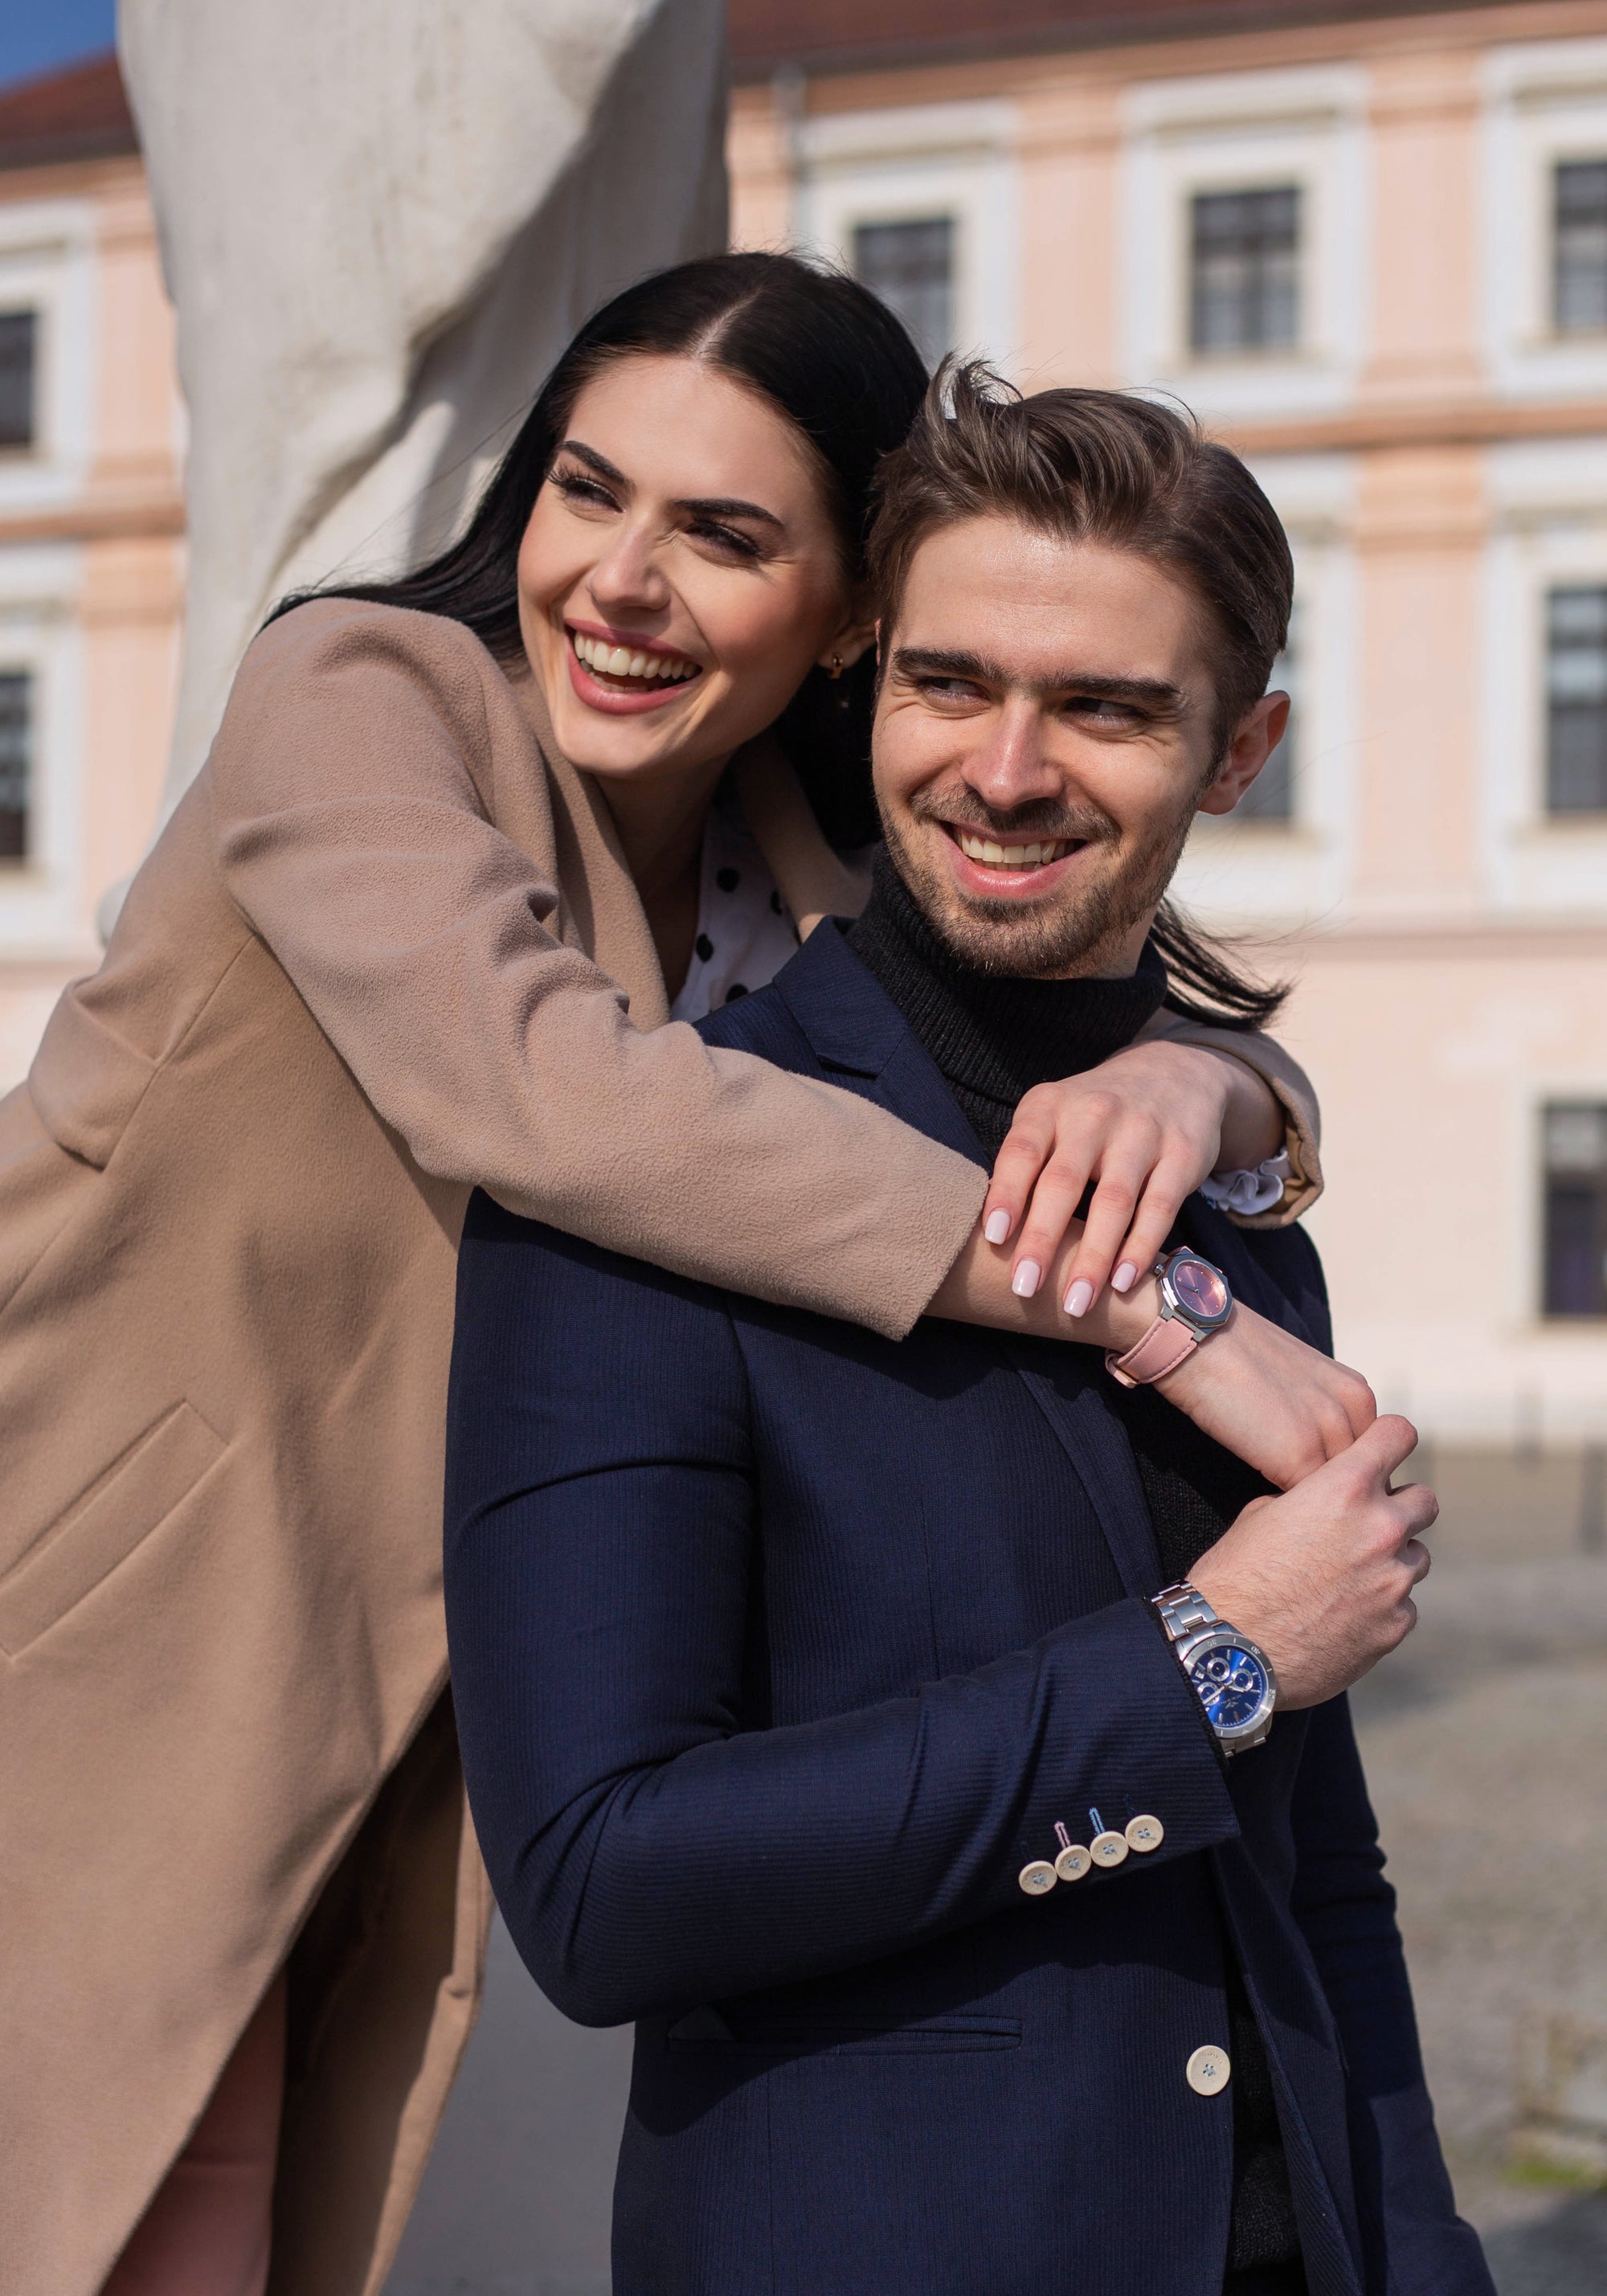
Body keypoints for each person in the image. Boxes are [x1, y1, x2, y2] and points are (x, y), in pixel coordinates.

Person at [0, 256, 1355, 2296]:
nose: (619, 580)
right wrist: (1152, 1312)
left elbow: (1046, 1033)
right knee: (140, 2205)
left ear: (849, 615)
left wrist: (1218, 1077)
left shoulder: (798, 848)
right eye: (584, 488)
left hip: (431, 1675)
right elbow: (548, 1092)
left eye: (724, 535)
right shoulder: (364, 695)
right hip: (115, 1618)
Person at [444, 370, 1491, 2296]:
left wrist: (1417, 2254)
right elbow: (599, 1888)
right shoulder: (643, 1178)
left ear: (1240, 747)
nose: (1004, 772)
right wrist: (1211, 1662)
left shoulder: (1224, 1186)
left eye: (1101, 708)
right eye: (949, 684)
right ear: (865, 689)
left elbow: (1316, 1873)